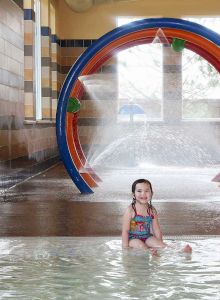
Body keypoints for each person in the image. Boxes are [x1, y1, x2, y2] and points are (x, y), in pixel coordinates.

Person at [122, 178, 192, 255]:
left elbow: (156, 229)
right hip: (133, 239)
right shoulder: (130, 210)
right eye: (139, 191)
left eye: (147, 191)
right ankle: (151, 253)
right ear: (133, 195)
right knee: (141, 246)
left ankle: (179, 251)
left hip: (147, 237)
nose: (143, 194)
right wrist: (125, 247)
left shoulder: (152, 210)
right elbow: (125, 230)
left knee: (162, 246)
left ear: (152, 194)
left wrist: (160, 243)